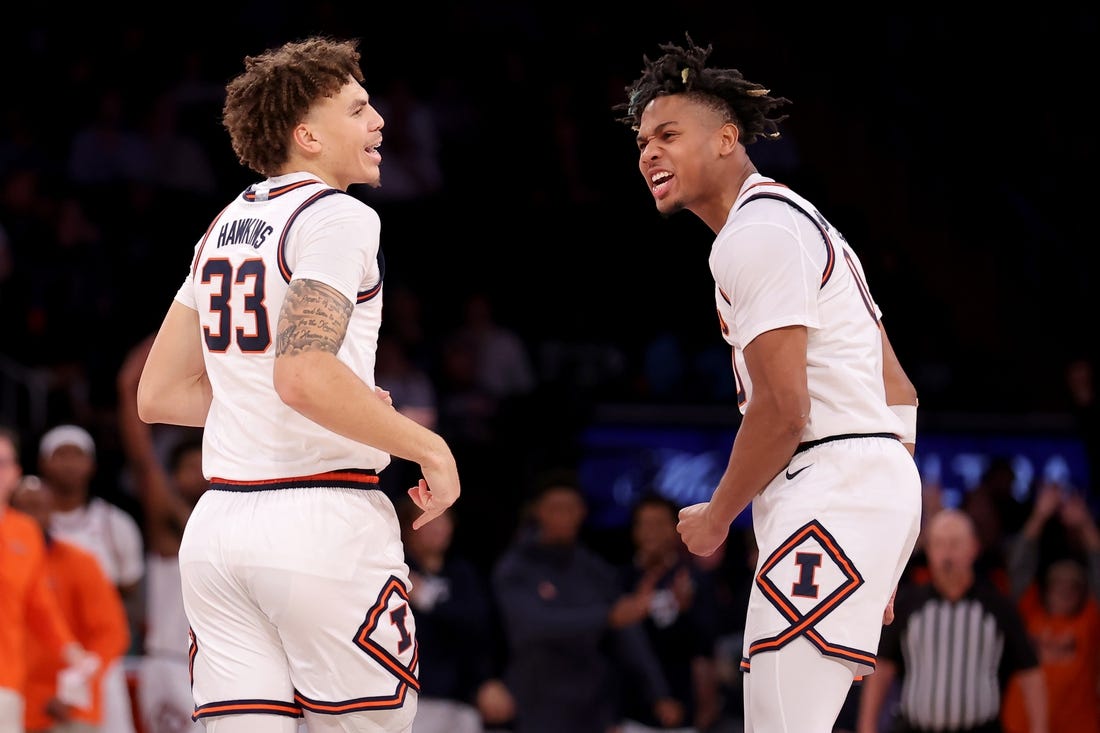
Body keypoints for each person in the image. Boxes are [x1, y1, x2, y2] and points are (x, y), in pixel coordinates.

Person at [134, 35, 461, 733]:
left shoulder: (222, 226)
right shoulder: (339, 215)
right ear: (307, 135)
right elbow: (304, 374)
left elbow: (157, 394)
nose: (378, 123)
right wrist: (427, 445)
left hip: (220, 530)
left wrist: (291, 395)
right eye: (358, 108)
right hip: (320, 526)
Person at [615, 35, 923, 732]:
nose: (648, 153)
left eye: (668, 134)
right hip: (863, 488)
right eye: (641, 142)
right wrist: (892, 535)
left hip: (833, 485)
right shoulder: (799, 220)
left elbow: (785, 411)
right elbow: (899, 389)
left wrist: (717, 514)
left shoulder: (756, 235)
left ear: (727, 138)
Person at [490, 470, 681, 733]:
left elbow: (627, 631)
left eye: (570, 508)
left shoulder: (594, 569)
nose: (563, 516)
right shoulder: (516, 567)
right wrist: (605, 616)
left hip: (592, 704)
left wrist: (658, 692)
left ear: (582, 512)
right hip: (536, 700)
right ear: (538, 512)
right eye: (555, 508)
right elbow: (530, 625)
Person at [855, 508, 1047, 733]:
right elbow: (883, 668)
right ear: (928, 551)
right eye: (939, 544)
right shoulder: (908, 605)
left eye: (955, 544)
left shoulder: (998, 608)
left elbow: (1030, 674)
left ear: (974, 548)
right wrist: (866, 726)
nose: (947, 554)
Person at [117, 335, 207, 733]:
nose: (200, 475)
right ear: (173, 475)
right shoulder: (169, 518)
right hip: (171, 663)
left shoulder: (228, 515)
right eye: (190, 468)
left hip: (218, 666)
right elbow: (142, 456)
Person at [38, 424, 143, 733]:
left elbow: (129, 585)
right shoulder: (28, 525)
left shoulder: (115, 523)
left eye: (77, 455)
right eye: (61, 454)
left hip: (100, 659)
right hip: (45, 659)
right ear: (43, 463)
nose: (69, 463)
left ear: (92, 465)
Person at [11, 475, 131, 733]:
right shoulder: (8, 563)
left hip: (69, 709)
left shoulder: (80, 562)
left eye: (38, 507)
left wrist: (73, 690)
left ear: (51, 510)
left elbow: (110, 633)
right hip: (15, 702)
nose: (30, 516)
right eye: (23, 508)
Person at [0, 425, 97, 733]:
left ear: (15, 472)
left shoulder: (26, 533)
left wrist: (71, 652)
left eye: (2, 463)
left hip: (7, 681)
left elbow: (40, 605)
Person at [394, 497, 514, 733]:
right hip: (411, 699)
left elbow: (478, 625)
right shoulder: (396, 571)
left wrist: (429, 599)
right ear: (408, 527)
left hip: (461, 699)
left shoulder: (463, 575)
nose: (437, 527)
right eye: (427, 519)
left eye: (442, 518)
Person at [1001, 481, 1100, 733]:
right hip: (1022, 725)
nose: (1065, 589)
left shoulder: (1089, 619)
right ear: (1046, 587)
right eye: (1058, 582)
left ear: (1083, 591)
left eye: (1073, 584)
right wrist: (1040, 516)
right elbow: (1019, 567)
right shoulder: (1029, 611)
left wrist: (1085, 525)